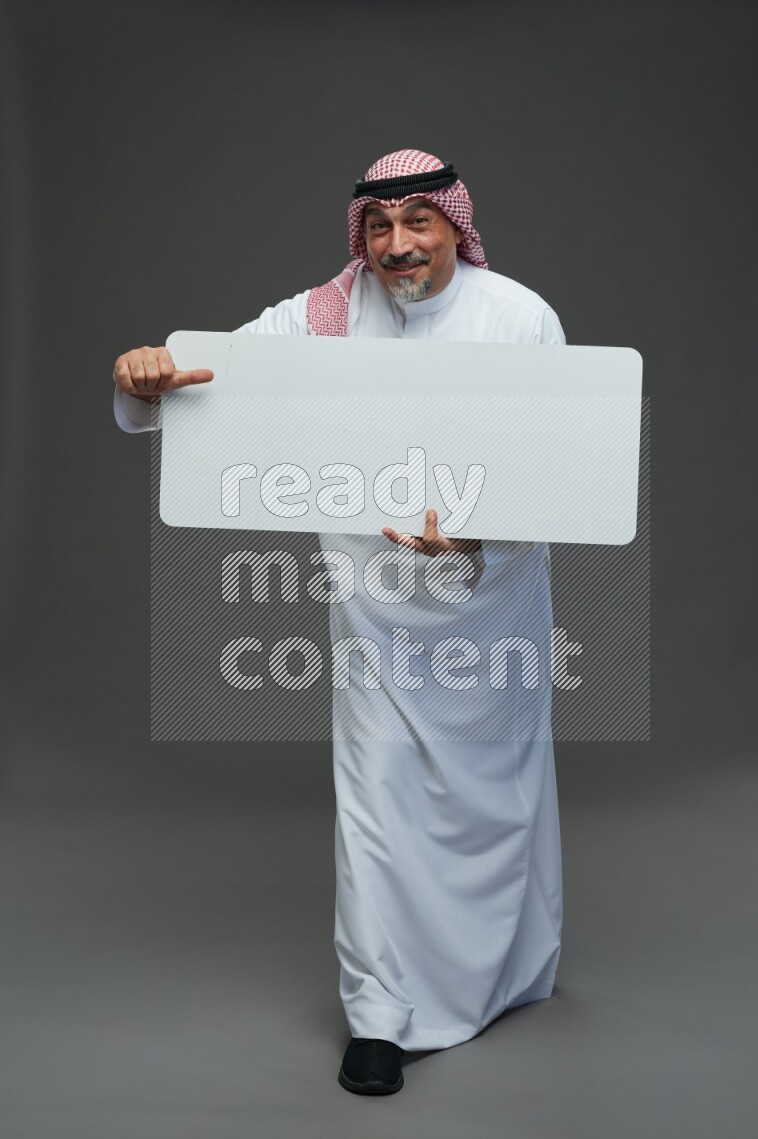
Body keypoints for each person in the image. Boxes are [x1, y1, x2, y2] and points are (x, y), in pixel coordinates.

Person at [113, 149, 566, 1096]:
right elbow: (208, 381)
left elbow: (557, 467)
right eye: (380, 225)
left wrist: (479, 535)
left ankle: (507, 972)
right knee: (377, 801)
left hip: (493, 609)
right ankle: (380, 1015)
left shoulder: (520, 317)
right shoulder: (321, 316)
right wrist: (142, 377)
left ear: (454, 226)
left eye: (419, 221)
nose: (398, 245)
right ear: (361, 233)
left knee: (500, 794)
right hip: (376, 617)